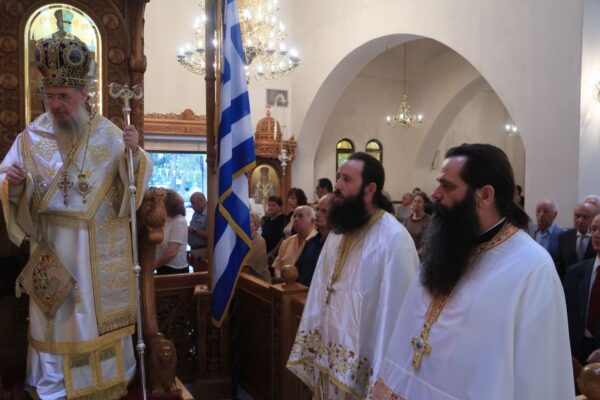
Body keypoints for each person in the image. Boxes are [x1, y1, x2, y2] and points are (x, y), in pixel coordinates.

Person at [0, 34, 153, 399]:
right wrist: (14, 184)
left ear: (84, 94)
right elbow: (7, 182)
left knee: (95, 320)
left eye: (63, 97)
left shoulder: (110, 135)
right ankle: (55, 388)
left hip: (98, 251)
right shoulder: (29, 138)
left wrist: (133, 154)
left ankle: (105, 382)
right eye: (49, 96)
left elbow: (132, 187)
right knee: (55, 321)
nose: (55, 105)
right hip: (52, 247)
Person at [373, 144, 573, 400]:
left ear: (485, 195)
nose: (435, 194)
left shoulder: (532, 268)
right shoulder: (446, 249)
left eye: (447, 186)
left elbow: (539, 378)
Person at [287, 152, 419, 399]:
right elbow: (320, 288)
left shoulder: (394, 239)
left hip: (365, 365)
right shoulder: (339, 231)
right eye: (338, 177)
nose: (338, 185)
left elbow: (397, 315)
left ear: (370, 188)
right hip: (329, 355)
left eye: (347, 179)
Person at [565, 214, 600, 367]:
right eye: (594, 229)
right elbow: (565, 313)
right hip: (576, 353)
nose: (596, 235)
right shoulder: (575, 272)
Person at [295, 193, 334, 286]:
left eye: (324, 211)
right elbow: (296, 271)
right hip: (301, 292)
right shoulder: (311, 242)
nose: (317, 214)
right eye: (317, 209)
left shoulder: (336, 245)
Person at [272, 205, 317, 279]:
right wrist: (280, 279)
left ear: (312, 221)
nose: (296, 219)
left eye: (300, 216)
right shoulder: (287, 242)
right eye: (294, 216)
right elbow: (277, 266)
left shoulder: (318, 243)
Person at [557, 202, 599, 280]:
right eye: (577, 216)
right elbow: (560, 265)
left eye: (585, 217)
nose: (580, 220)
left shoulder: (597, 239)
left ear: (594, 218)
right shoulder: (564, 237)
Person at [155, 190, 189, 275]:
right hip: (162, 265)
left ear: (168, 205)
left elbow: (171, 253)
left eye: (161, 204)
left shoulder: (179, 221)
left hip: (174, 269)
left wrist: (153, 266)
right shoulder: (166, 219)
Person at [528, 198, 565, 267]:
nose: (541, 214)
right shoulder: (528, 231)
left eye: (546, 212)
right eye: (538, 211)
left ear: (555, 214)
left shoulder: (562, 234)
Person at [244, 212, 271, 283]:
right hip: (245, 277)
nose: (246, 223)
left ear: (256, 225)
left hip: (260, 279)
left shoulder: (260, 241)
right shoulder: (243, 239)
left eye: (249, 222)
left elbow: (250, 264)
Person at [261, 195, 287, 264]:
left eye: (273, 205)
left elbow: (283, 239)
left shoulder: (284, 219)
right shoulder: (266, 220)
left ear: (280, 207)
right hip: (265, 254)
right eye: (269, 205)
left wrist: (272, 253)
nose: (270, 207)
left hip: (277, 255)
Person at [188, 191, 208, 262]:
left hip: (203, 251)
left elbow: (209, 235)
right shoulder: (196, 213)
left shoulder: (209, 214)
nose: (192, 206)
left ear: (201, 201)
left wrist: (194, 230)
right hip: (193, 250)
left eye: (193, 203)